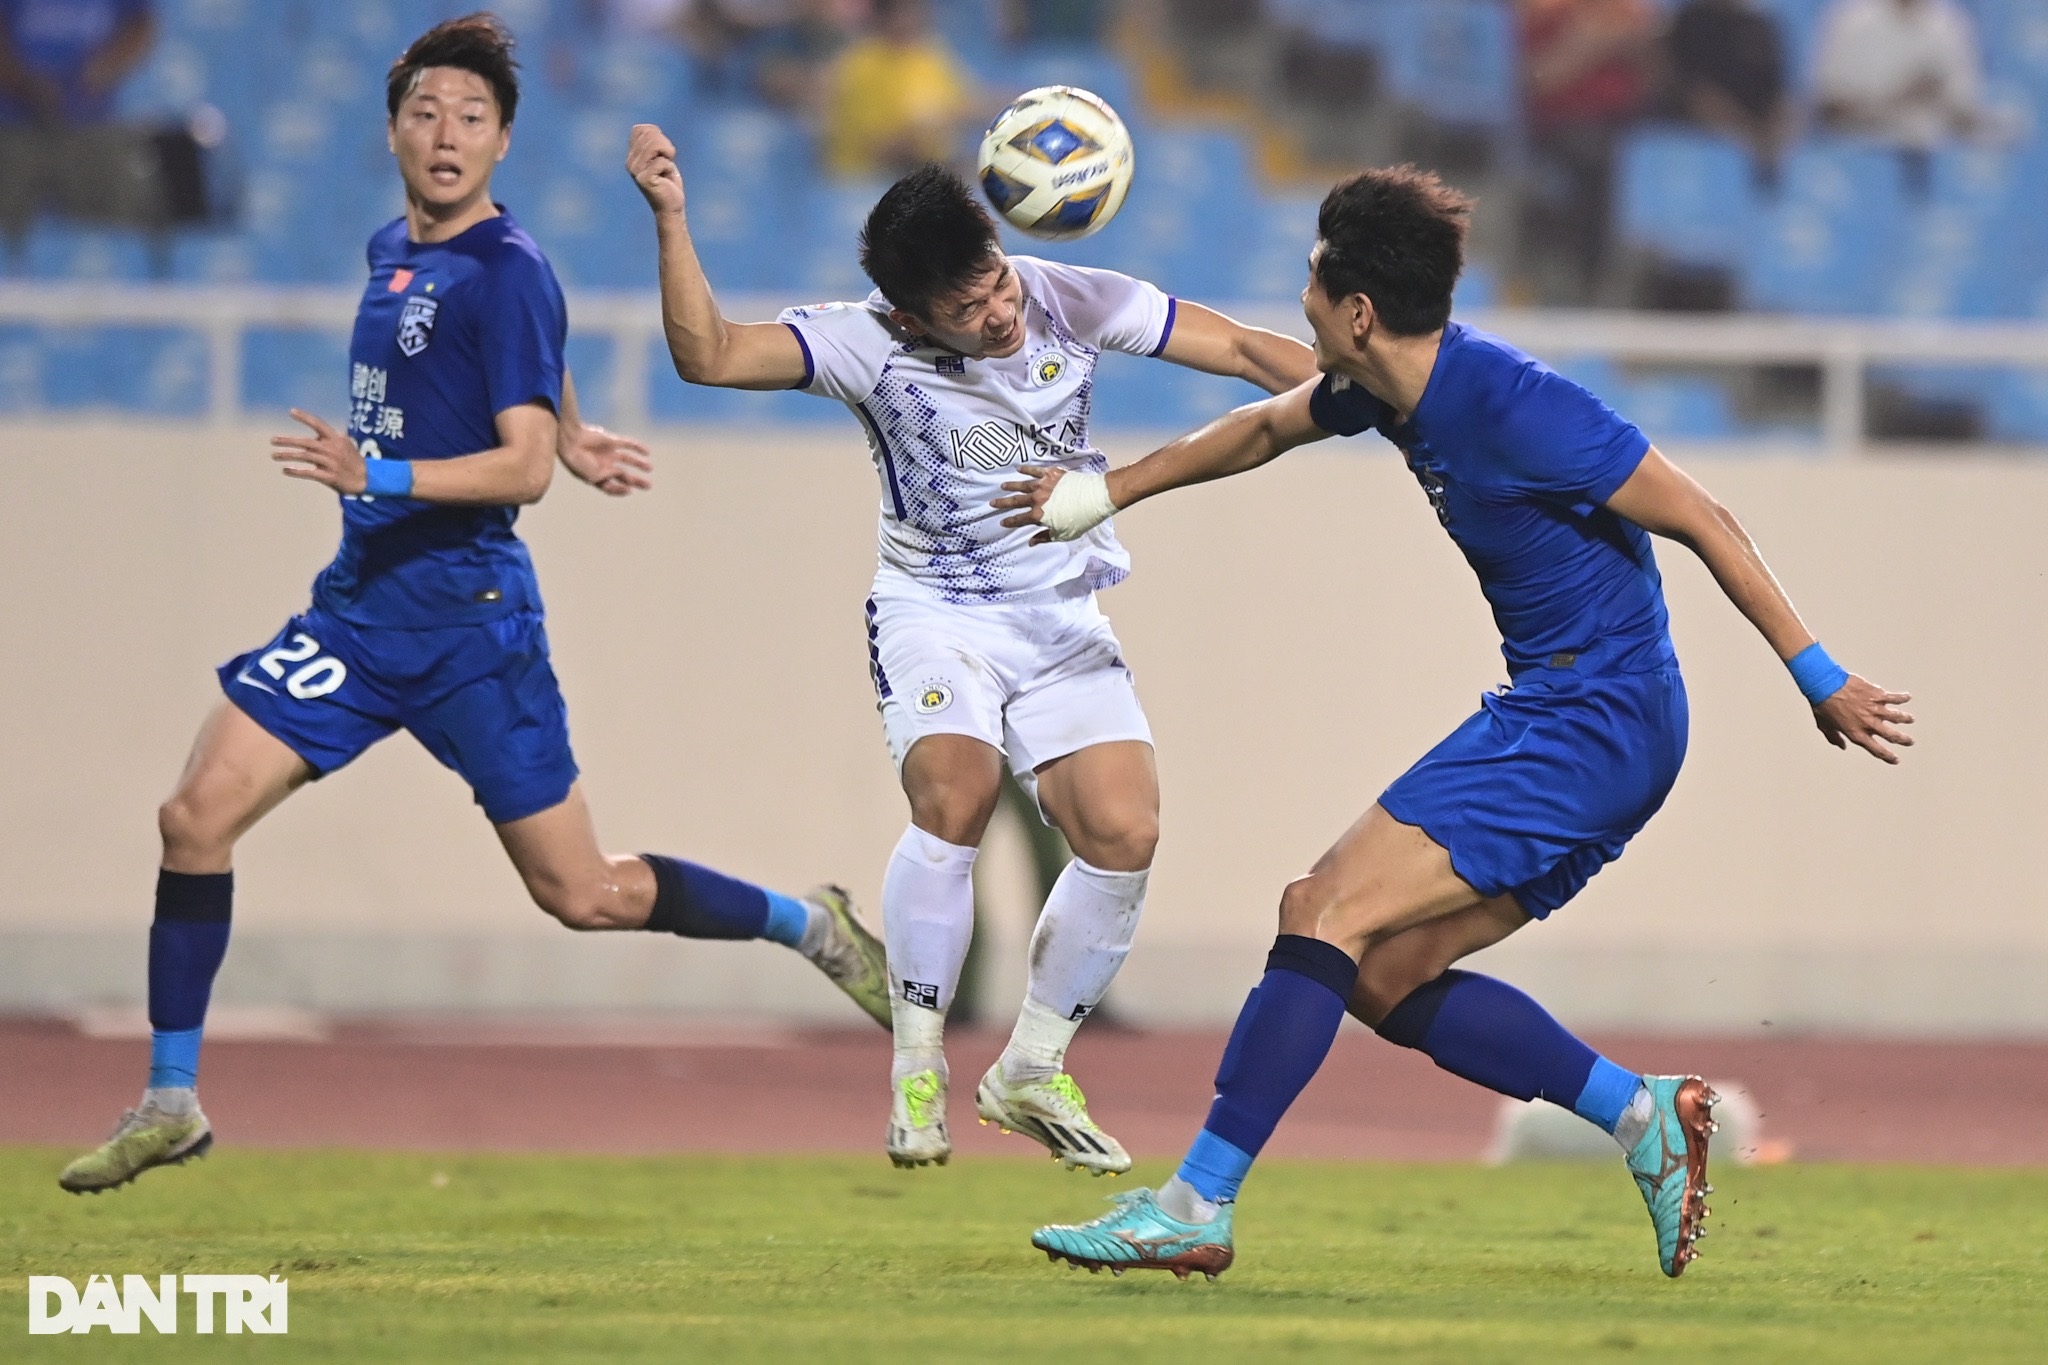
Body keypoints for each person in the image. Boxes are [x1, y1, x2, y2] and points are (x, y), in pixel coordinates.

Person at [1010, 165, 1913, 1278]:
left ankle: (1194, 1206)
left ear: (1355, 313)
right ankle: (1641, 1117)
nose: (1299, 293)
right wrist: (1104, 491)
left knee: (1318, 910)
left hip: (1596, 715)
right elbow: (1259, 430)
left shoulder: (1513, 401)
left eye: (1311, 278)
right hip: (1577, 713)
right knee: (1382, 976)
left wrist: (1816, 673)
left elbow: (1701, 516)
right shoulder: (1386, 389)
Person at [57, 14, 889, 1196]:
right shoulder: (386, 248)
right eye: (426, 112)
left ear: (501, 143)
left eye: (473, 118)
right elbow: (517, 384)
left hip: (470, 628)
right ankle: (170, 1098)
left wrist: (401, 468)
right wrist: (571, 414)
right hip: (354, 616)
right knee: (192, 819)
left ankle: (807, 924)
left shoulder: (513, 266)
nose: (447, 134)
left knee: (583, 894)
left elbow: (521, 472)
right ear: (393, 129)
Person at [625, 127, 1318, 1173]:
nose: (999, 313)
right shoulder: (864, 345)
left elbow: (1239, 350)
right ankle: (916, 1064)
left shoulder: (1063, 294)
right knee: (954, 794)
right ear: (910, 316)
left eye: (995, 283)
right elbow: (709, 355)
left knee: (1125, 833)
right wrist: (672, 218)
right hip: (935, 609)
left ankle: (1029, 1068)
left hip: (1058, 613)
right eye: (968, 309)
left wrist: (1365, 392)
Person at [1517, 0, 1657, 303]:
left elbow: (1655, 73)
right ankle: (1589, 284)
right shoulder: (1543, 9)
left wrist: (1623, 46)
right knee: (1598, 161)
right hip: (1561, 128)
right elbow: (1532, 78)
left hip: (1629, 129)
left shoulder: (1624, 10)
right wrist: (1590, 47)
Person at [0, 0, 157, 246]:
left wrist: (97, 75)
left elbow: (142, 24)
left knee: (110, 236)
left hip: (92, 123)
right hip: (13, 125)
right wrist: (24, 83)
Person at [819, 0, 976, 179]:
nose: (916, 19)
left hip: (921, 175)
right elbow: (879, 150)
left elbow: (970, 105)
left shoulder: (930, 56)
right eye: (906, 12)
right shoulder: (860, 68)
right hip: (864, 185)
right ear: (883, 17)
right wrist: (927, 132)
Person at [1814, 0, 1985, 150]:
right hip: (1860, 155)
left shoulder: (1951, 25)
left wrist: (1932, 95)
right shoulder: (1852, 22)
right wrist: (1895, 99)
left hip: (1935, 154)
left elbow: (1967, 111)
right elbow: (1828, 108)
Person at [1660, 0, 1792, 178]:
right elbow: (1696, 93)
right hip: (1705, 128)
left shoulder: (1760, 25)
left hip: (1760, 131)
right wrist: (1750, 138)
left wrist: (1774, 137)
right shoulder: (1691, 22)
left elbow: (1779, 93)